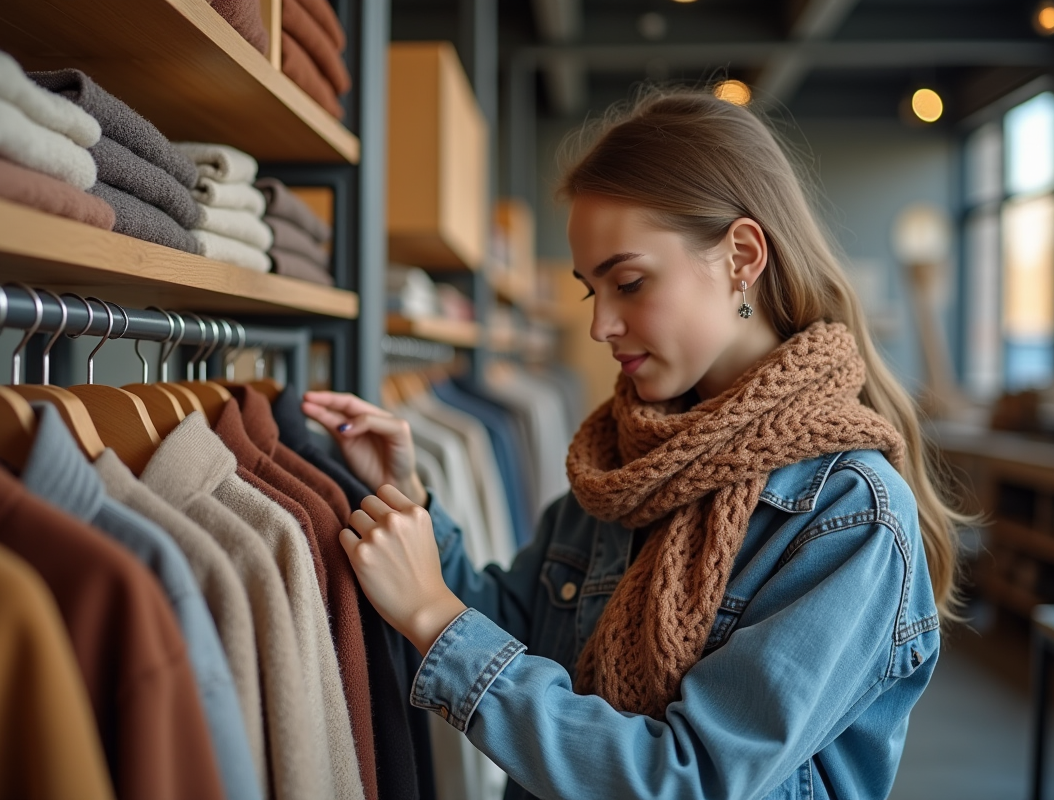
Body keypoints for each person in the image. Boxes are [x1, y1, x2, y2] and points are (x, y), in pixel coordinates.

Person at [301, 90, 965, 800]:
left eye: (630, 282)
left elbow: (690, 780)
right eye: (593, 291)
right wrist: (410, 500)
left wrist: (437, 620)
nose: (600, 326)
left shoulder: (848, 516)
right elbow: (517, 626)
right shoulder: (627, 461)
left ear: (741, 256)